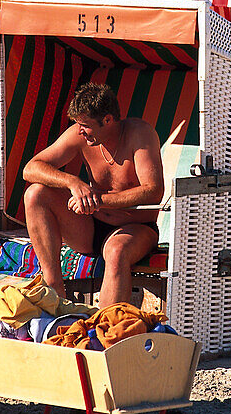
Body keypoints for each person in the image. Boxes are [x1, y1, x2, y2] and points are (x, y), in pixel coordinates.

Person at [22, 83, 165, 306]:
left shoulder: (140, 134)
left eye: (85, 125)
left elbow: (153, 191)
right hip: (89, 228)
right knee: (35, 194)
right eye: (78, 125)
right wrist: (72, 182)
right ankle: (55, 294)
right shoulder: (79, 135)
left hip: (135, 229)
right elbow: (30, 169)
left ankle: (103, 332)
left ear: (107, 120)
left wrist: (98, 201)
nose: (80, 130)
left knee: (117, 252)